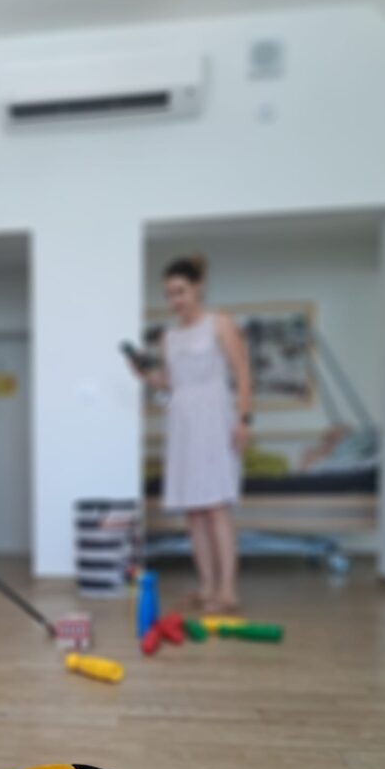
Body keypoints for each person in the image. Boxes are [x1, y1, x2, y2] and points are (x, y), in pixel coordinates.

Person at [137, 256, 252, 612]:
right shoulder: (169, 338)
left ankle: (228, 592)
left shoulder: (220, 324)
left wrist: (244, 420)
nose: (175, 300)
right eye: (169, 294)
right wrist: (146, 376)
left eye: (181, 291)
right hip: (182, 422)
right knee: (193, 512)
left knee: (216, 507)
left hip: (215, 418)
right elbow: (171, 386)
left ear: (198, 287)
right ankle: (206, 588)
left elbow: (243, 372)